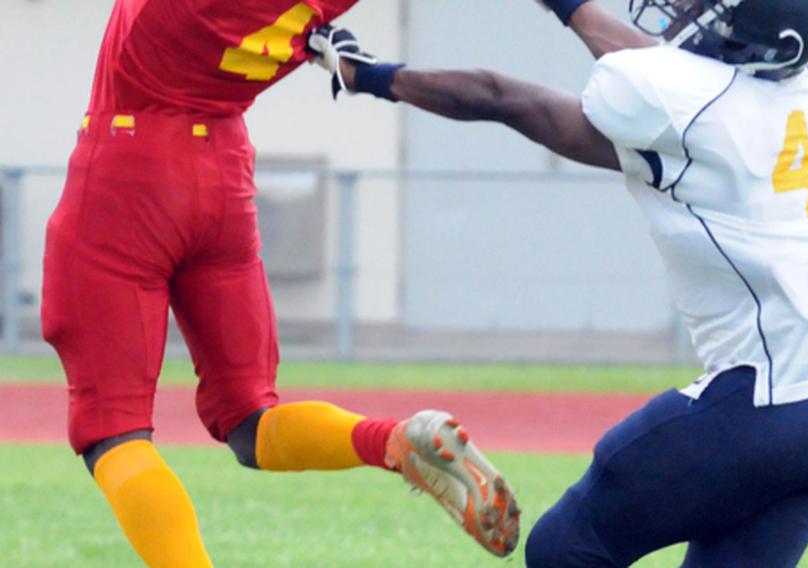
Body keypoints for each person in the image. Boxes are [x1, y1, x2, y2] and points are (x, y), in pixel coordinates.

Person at [308, 0, 808, 565]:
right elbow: (662, 79)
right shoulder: (803, 77)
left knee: (567, 548)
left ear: (754, 38)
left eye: (718, 9)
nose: (695, 10)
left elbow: (503, 98)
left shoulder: (681, 102)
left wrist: (369, 76)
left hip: (765, 400)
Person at [41, 1, 520, 565]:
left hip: (129, 167)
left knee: (113, 433)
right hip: (221, 175)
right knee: (250, 421)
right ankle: (393, 441)